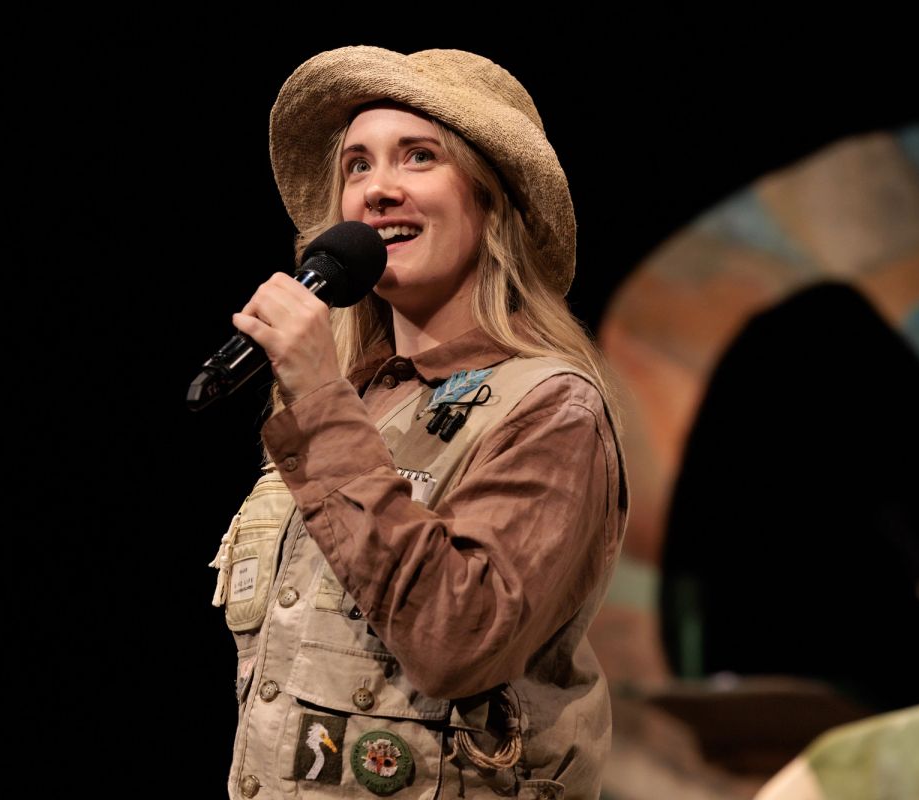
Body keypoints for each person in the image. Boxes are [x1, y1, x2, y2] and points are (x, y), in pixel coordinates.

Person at [208, 46, 629, 800]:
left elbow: (458, 641)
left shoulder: (551, 407)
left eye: (418, 157)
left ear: (490, 200)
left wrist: (318, 401)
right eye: (357, 166)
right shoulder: (351, 402)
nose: (378, 190)